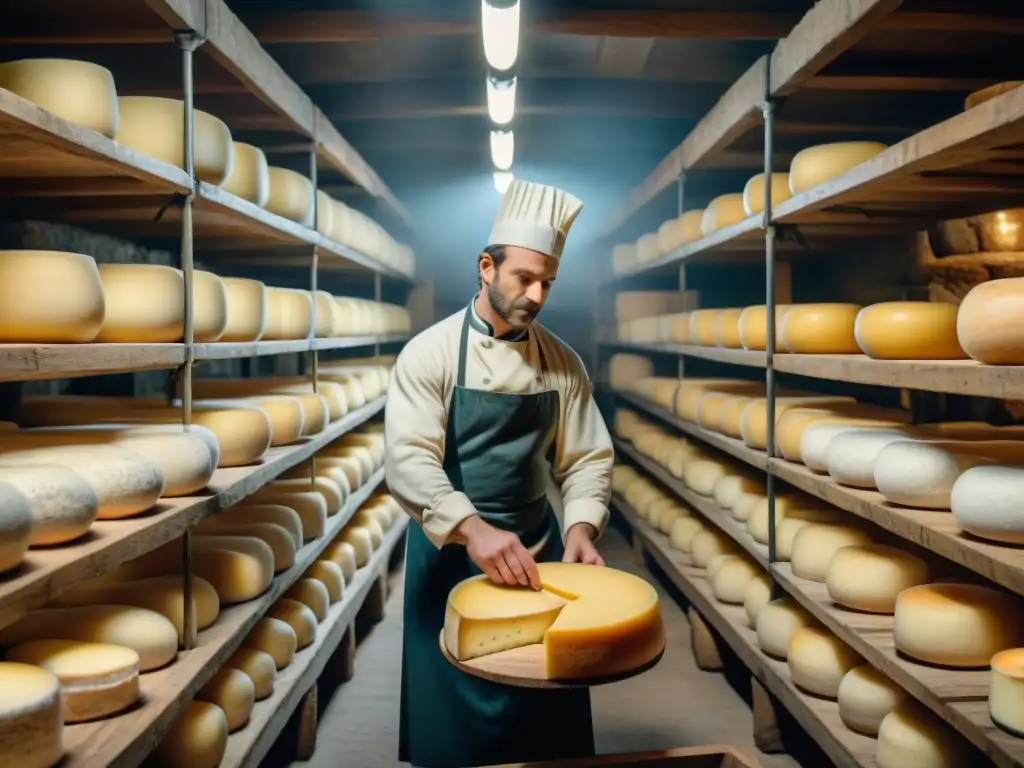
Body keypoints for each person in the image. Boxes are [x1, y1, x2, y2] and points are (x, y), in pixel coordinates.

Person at [384, 179, 615, 768]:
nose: (537, 295)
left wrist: (583, 526)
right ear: (486, 267)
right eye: (523, 278)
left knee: (542, 721)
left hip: (537, 554)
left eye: (548, 283)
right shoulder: (430, 353)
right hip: (453, 552)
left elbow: (587, 457)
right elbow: (408, 460)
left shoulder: (562, 362)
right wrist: (472, 529)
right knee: (455, 729)